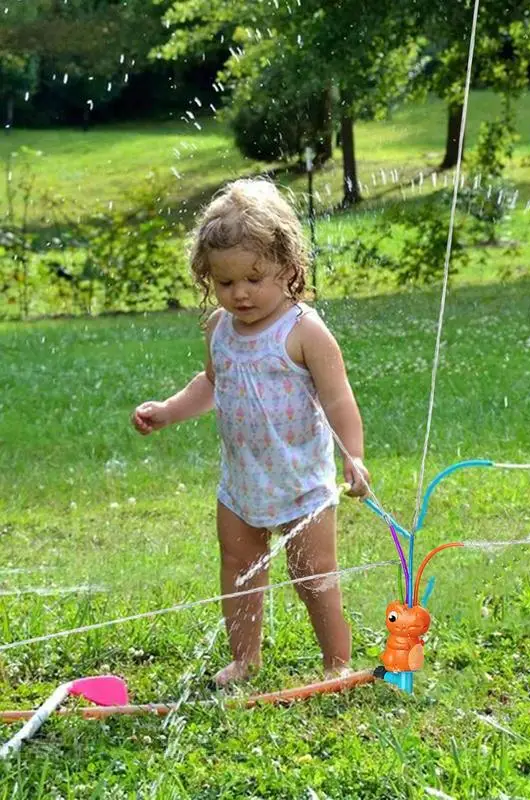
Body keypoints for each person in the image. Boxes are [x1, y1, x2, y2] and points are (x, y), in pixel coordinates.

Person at [131, 178, 370, 686]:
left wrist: (354, 455)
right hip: (241, 483)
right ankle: (244, 659)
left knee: (313, 577)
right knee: (239, 568)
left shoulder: (304, 331)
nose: (239, 293)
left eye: (254, 279)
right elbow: (212, 382)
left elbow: (338, 398)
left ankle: (336, 663)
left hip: (302, 484)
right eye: (225, 282)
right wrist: (170, 411)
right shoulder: (219, 327)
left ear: (288, 266)